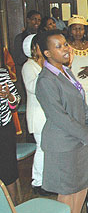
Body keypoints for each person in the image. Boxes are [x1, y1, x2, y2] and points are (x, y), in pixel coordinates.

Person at [36, 29, 88, 213]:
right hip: (62, 142)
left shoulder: (66, 71)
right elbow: (59, 117)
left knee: (81, 187)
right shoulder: (46, 80)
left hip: (78, 139)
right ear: (47, 53)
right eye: (59, 46)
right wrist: (86, 134)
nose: (65, 49)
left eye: (65, 44)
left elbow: (81, 102)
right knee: (67, 192)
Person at [21, 34, 53, 196]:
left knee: (48, 148)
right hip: (38, 116)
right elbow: (34, 88)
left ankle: (47, 179)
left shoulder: (43, 64)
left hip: (48, 114)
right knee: (42, 149)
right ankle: (37, 182)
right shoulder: (29, 66)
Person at [0, 67, 20, 204]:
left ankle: (13, 211)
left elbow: (16, 102)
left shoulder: (2, 74)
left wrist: (9, 96)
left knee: (8, 172)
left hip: (4, 129)